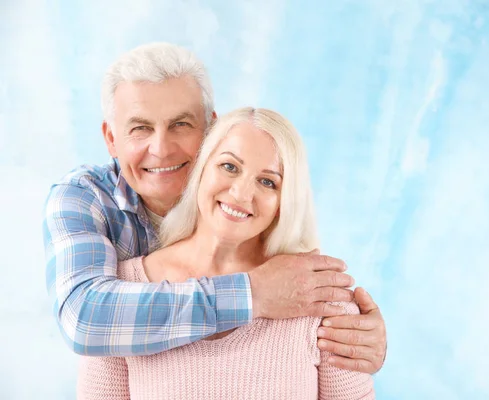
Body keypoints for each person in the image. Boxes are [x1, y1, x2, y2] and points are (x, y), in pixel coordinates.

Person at [43, 43, 386, 373]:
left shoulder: (245, 208)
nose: (161, 149)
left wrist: (359, 341)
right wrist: (253, 293)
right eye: (140, 128)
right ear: (111, 139)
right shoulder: (83, 198)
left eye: (181, 125)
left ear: (210, 130)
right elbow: (85, 320)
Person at [77, 106, 375, 399]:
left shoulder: (321, 298)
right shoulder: (121, 291)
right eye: (229, 166)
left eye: (268, 182)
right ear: (201, 170)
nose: (241, 193)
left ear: (283, 203)